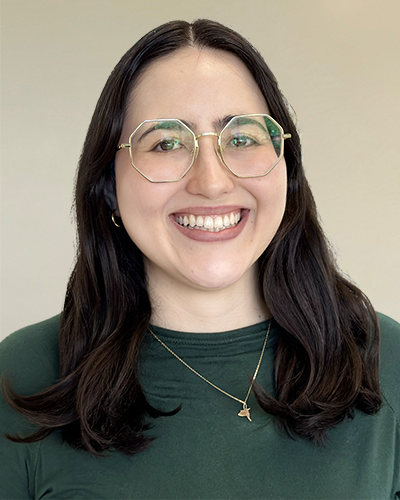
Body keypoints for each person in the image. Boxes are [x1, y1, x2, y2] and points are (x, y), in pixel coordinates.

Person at [0, 19, 399, 500]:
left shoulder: (388, 362)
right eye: (166, 143)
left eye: (242, 138)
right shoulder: (20, 376)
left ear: (286, 170)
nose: (211, 182)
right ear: (108, 187)